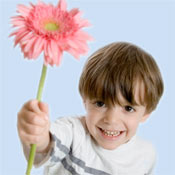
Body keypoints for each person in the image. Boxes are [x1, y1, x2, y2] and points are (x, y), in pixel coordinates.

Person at [17, 42, 164, 175]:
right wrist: (39, 136)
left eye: (128, 108)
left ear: (146, 113)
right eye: (100, 103)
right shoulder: (74, 132)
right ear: (85, 100)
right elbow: (46, 147)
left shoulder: (146, 155)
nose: (111, 119)